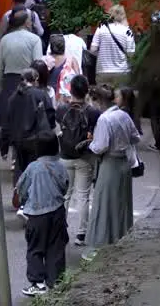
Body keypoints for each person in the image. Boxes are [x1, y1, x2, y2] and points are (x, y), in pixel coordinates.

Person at [16, 131, 69, 297]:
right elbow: (65, 185)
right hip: (58, 212)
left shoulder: (33, 167)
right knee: (56, 248)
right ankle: (56, 282)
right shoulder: (61, 166)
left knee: (35, 249)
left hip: (37, 214)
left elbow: (21, 188)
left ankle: (38, 283)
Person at [87, 83, 141, 247]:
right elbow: (136, 137)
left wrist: (90, 144)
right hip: (124, 164)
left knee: (104, 203)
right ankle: (121, 237)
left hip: (110, 164)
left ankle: (102, 242)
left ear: (99, 101)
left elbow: (100, 146)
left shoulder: (104, 119)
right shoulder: (123, 115)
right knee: (121, 204)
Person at [0, 67, 56, 211]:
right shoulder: (41, 95)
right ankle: (33, 201)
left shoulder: (13, 98)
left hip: (18, 141)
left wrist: (4, 146)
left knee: (20, 169)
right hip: (37, 141)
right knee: (36, 171)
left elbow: (6, 123)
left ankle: (20, 198)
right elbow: (50, 117)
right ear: (36, 79)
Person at [59, 75, 101, 245]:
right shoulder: (93, 112)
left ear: (70, 90)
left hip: (65, 156)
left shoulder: (61, 109)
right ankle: (81, 233)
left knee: (65, 196)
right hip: (84, 156)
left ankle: (60, 230)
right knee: (83, 196)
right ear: (86, 91)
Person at [0, 10, 44, 126]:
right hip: (28, 83)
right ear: (26, 23)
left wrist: (1, 88)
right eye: (30, 21)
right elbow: (38, 65)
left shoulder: (5, 39)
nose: (31, 23)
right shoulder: (34, 39)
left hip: (9, 83)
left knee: (7, 125)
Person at [89, 4, 136, 87]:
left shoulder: (101, 28)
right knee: (120, 97)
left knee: (103, 97)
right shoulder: (127, 31)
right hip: (121, 72)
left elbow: (93, 49)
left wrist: (103, 54)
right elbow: (131, 54)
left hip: (103, 71)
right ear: (123, 15)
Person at [43, 34, 81, 107]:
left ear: (51, 46)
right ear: (64, 46)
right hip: (65, 98)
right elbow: (78, 80)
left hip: (48, 96)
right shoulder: (71, 60)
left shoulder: (45, 60)